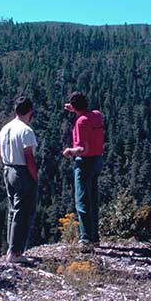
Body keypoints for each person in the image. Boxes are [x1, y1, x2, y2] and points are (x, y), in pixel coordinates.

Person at [0, 96, 38, 263]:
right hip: (21, 172)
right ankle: (16, 253)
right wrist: (34, 177)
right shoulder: (26, 130)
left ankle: (11, 248)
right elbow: (29, 157)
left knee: (13, 210)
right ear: (30, 111)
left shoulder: (6, 128)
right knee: (23, 212)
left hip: (7, 169)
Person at [62, 91, 104, 250]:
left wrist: (69, 151)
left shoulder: (81, 122)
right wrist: (75, 109)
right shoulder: (96, 115)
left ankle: (86, 239)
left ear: (74, 106)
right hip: (97, 160)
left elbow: (82, 149)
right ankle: (95, 238)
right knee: (93, 198)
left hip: (85, 162)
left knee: (82, 200)